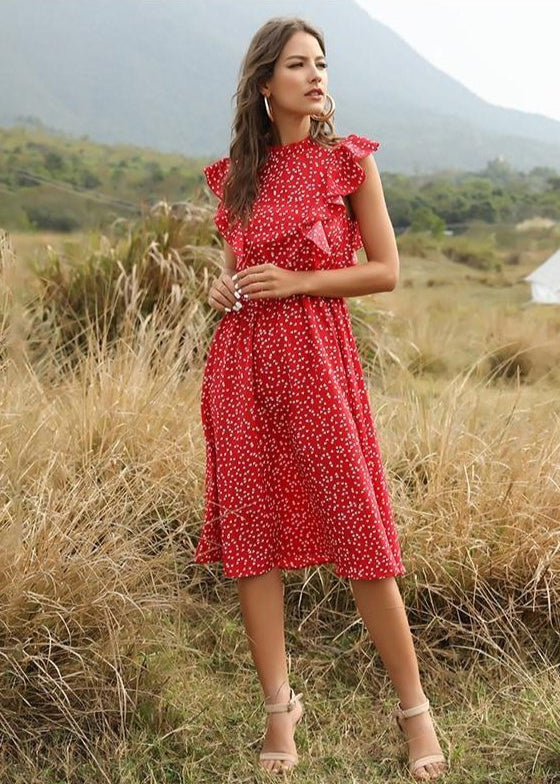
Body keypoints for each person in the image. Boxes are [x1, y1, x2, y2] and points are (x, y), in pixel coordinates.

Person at [193, 15, 447, 781]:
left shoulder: (348, 163)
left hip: (318, 365)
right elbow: (236, 271)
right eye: (298, 64)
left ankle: (415, 712)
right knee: (253, 542)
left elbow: (386, 271)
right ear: (264, 83)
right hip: (242, 367)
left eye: (322, 64)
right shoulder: (234, 177)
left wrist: (301, 280)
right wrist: (222, 288)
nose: (315, 76)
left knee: (359, 533)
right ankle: (280, 710)